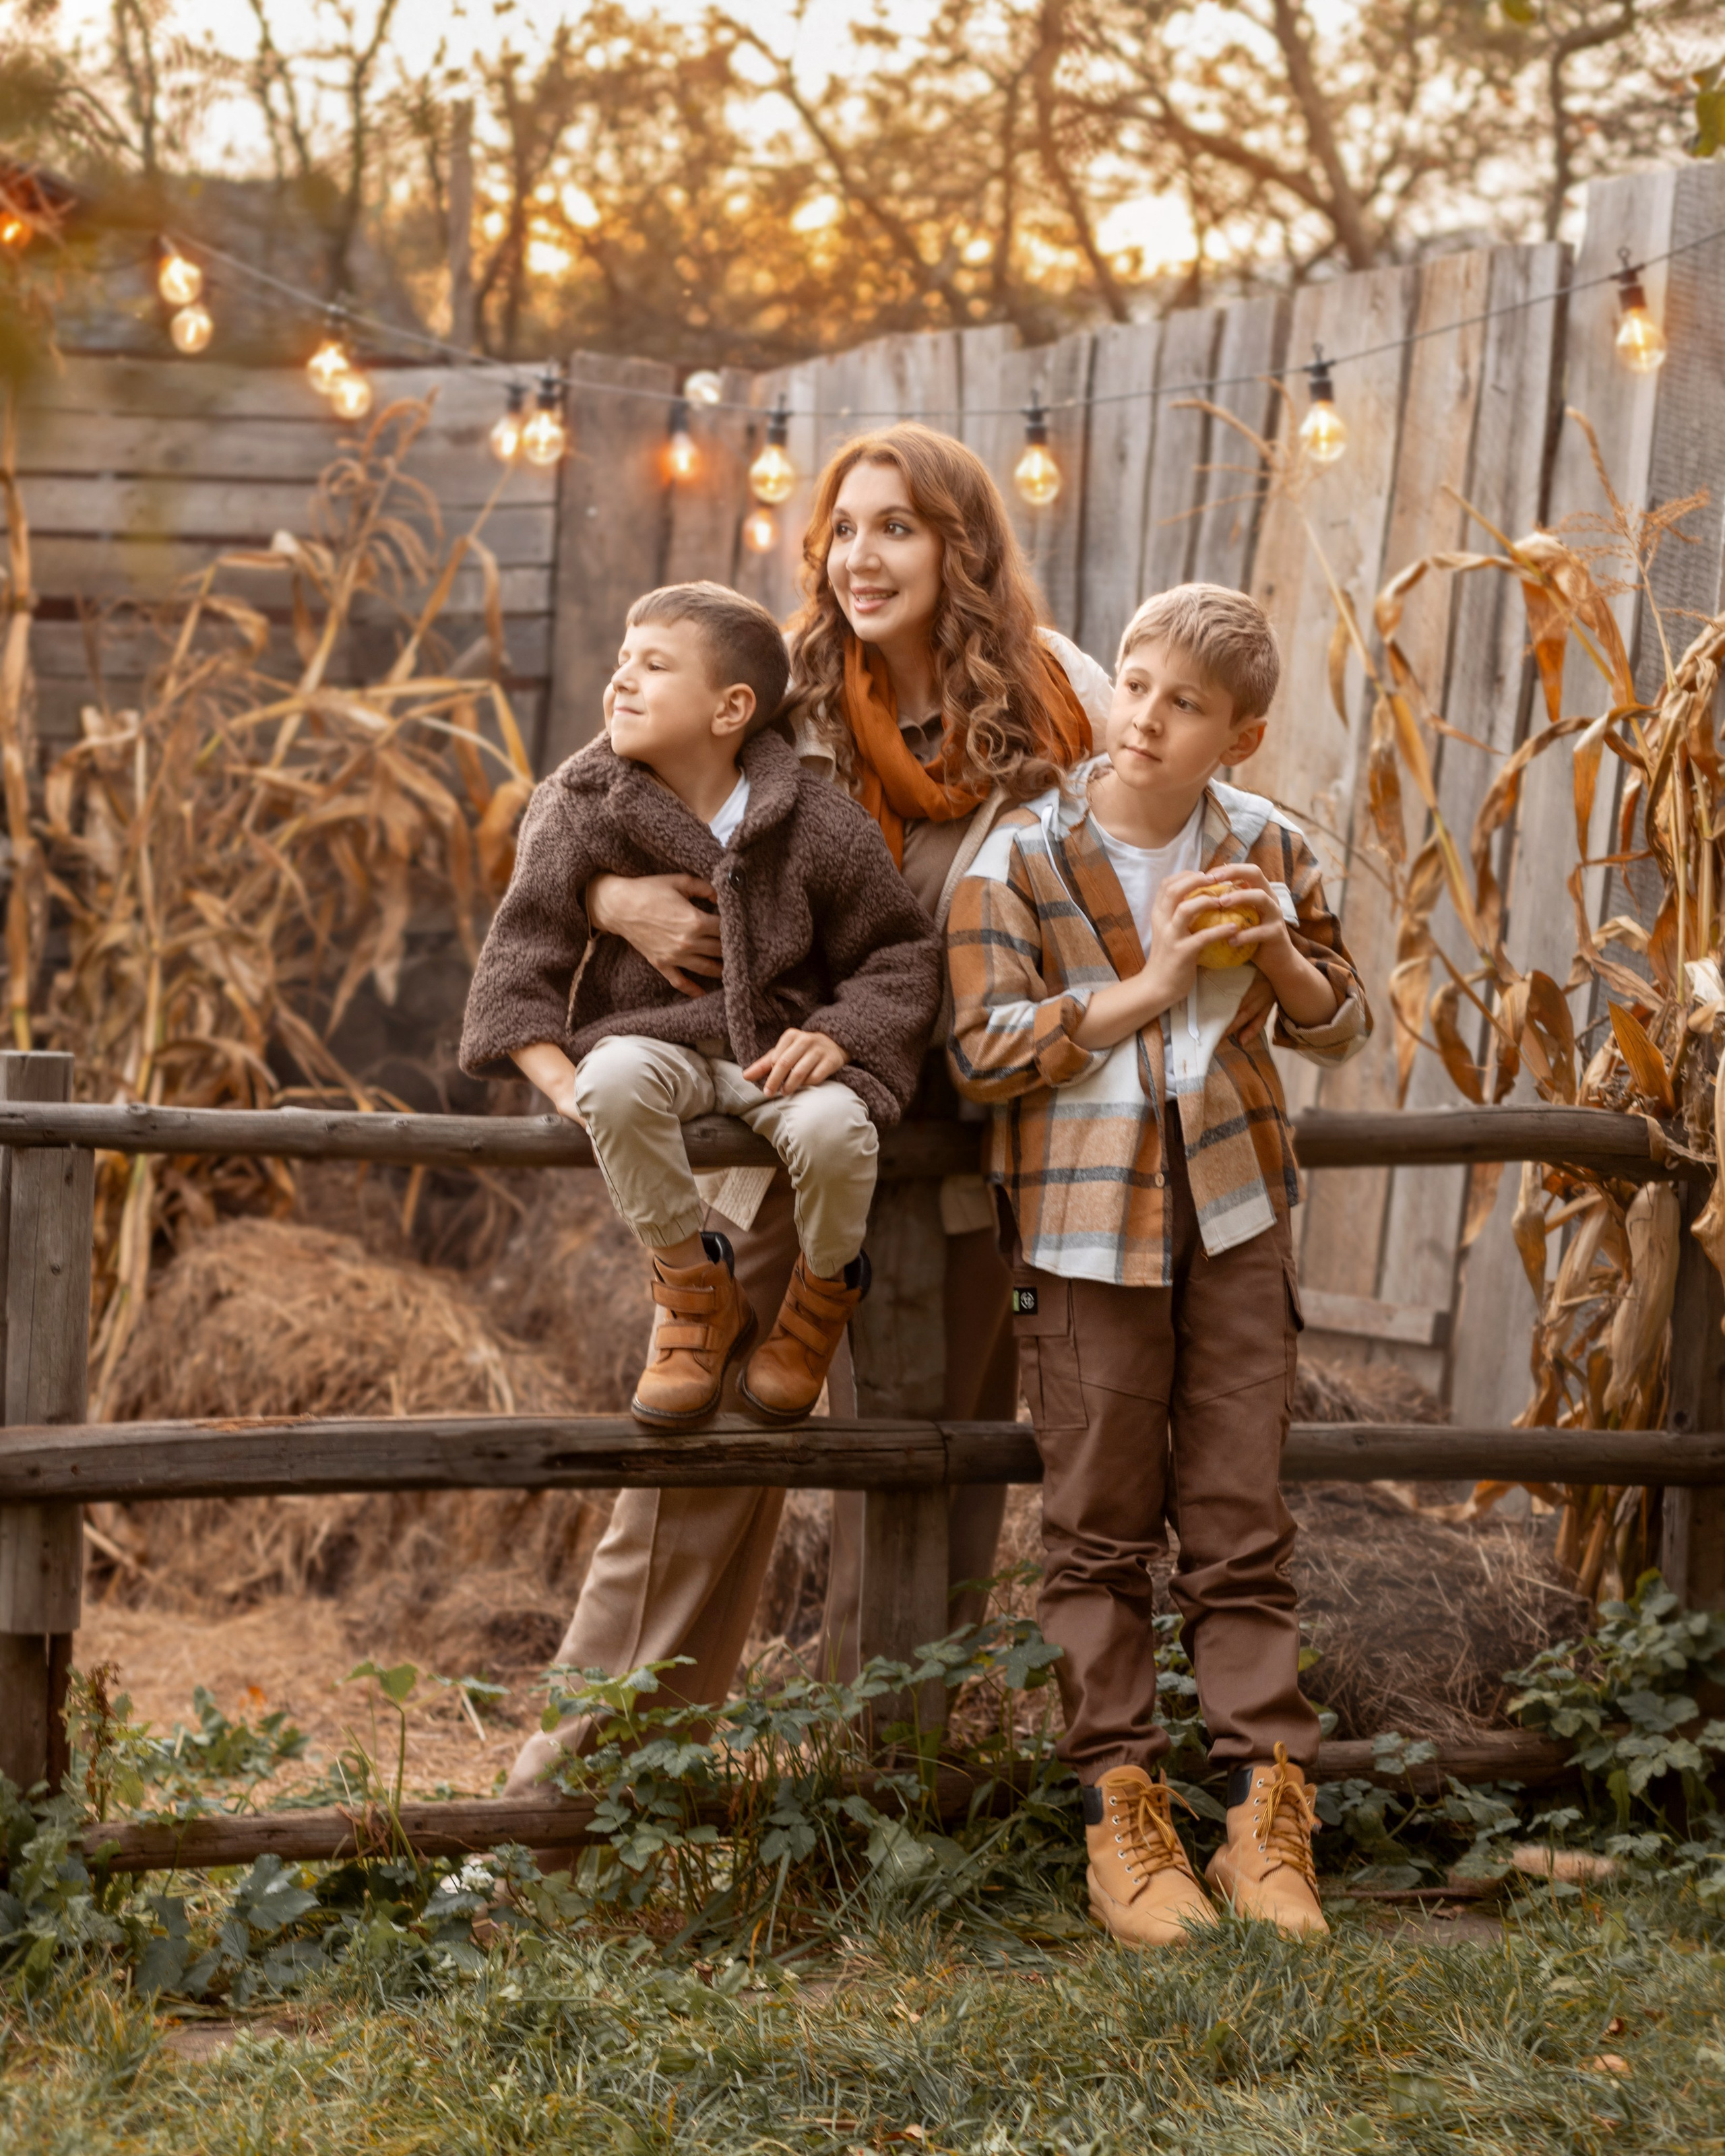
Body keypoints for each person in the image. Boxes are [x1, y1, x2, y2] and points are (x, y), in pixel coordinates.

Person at [499, 422, 1110, 1801]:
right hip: (784, 1125)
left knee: (931, 1475)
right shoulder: (779, 699)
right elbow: (566, 819)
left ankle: (870, 1799)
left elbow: (1128, 867)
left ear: (960, 545)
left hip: (962, 1138)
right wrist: (614, 899)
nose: (859, 556)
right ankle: (575, 1792)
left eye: (894, 525)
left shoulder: (1055, 701)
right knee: (700, 1449)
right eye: (841, 527)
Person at [947, 583, 1372, 1945]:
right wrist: (1150, 978)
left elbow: (1339, 1018)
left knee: (1241, 1521)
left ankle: (1263, 1819)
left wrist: (1278, 962)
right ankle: (1119, 1817)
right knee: (1095, 1529)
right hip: (1081, 1231)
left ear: (1234, 737)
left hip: (1236, 1213)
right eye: (1134, 683)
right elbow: (976, 1051)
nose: (1144, 716)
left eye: (1183, 704)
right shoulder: (1013, 860)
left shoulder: (1269, 845)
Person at [460, 580, 940, 1432]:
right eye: (620, 662)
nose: (622, 681)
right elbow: (517, 959)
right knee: (612, 1082)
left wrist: (839, 1033)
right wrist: (559, 1079)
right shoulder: (577, 810)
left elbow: (900, 952)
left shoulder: (815, 822)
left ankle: (820, 1296)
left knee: (836, 1132)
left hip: (776, 1055)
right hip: (651, 1041)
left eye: (653, 665)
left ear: (731, 709)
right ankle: (691, 1289)